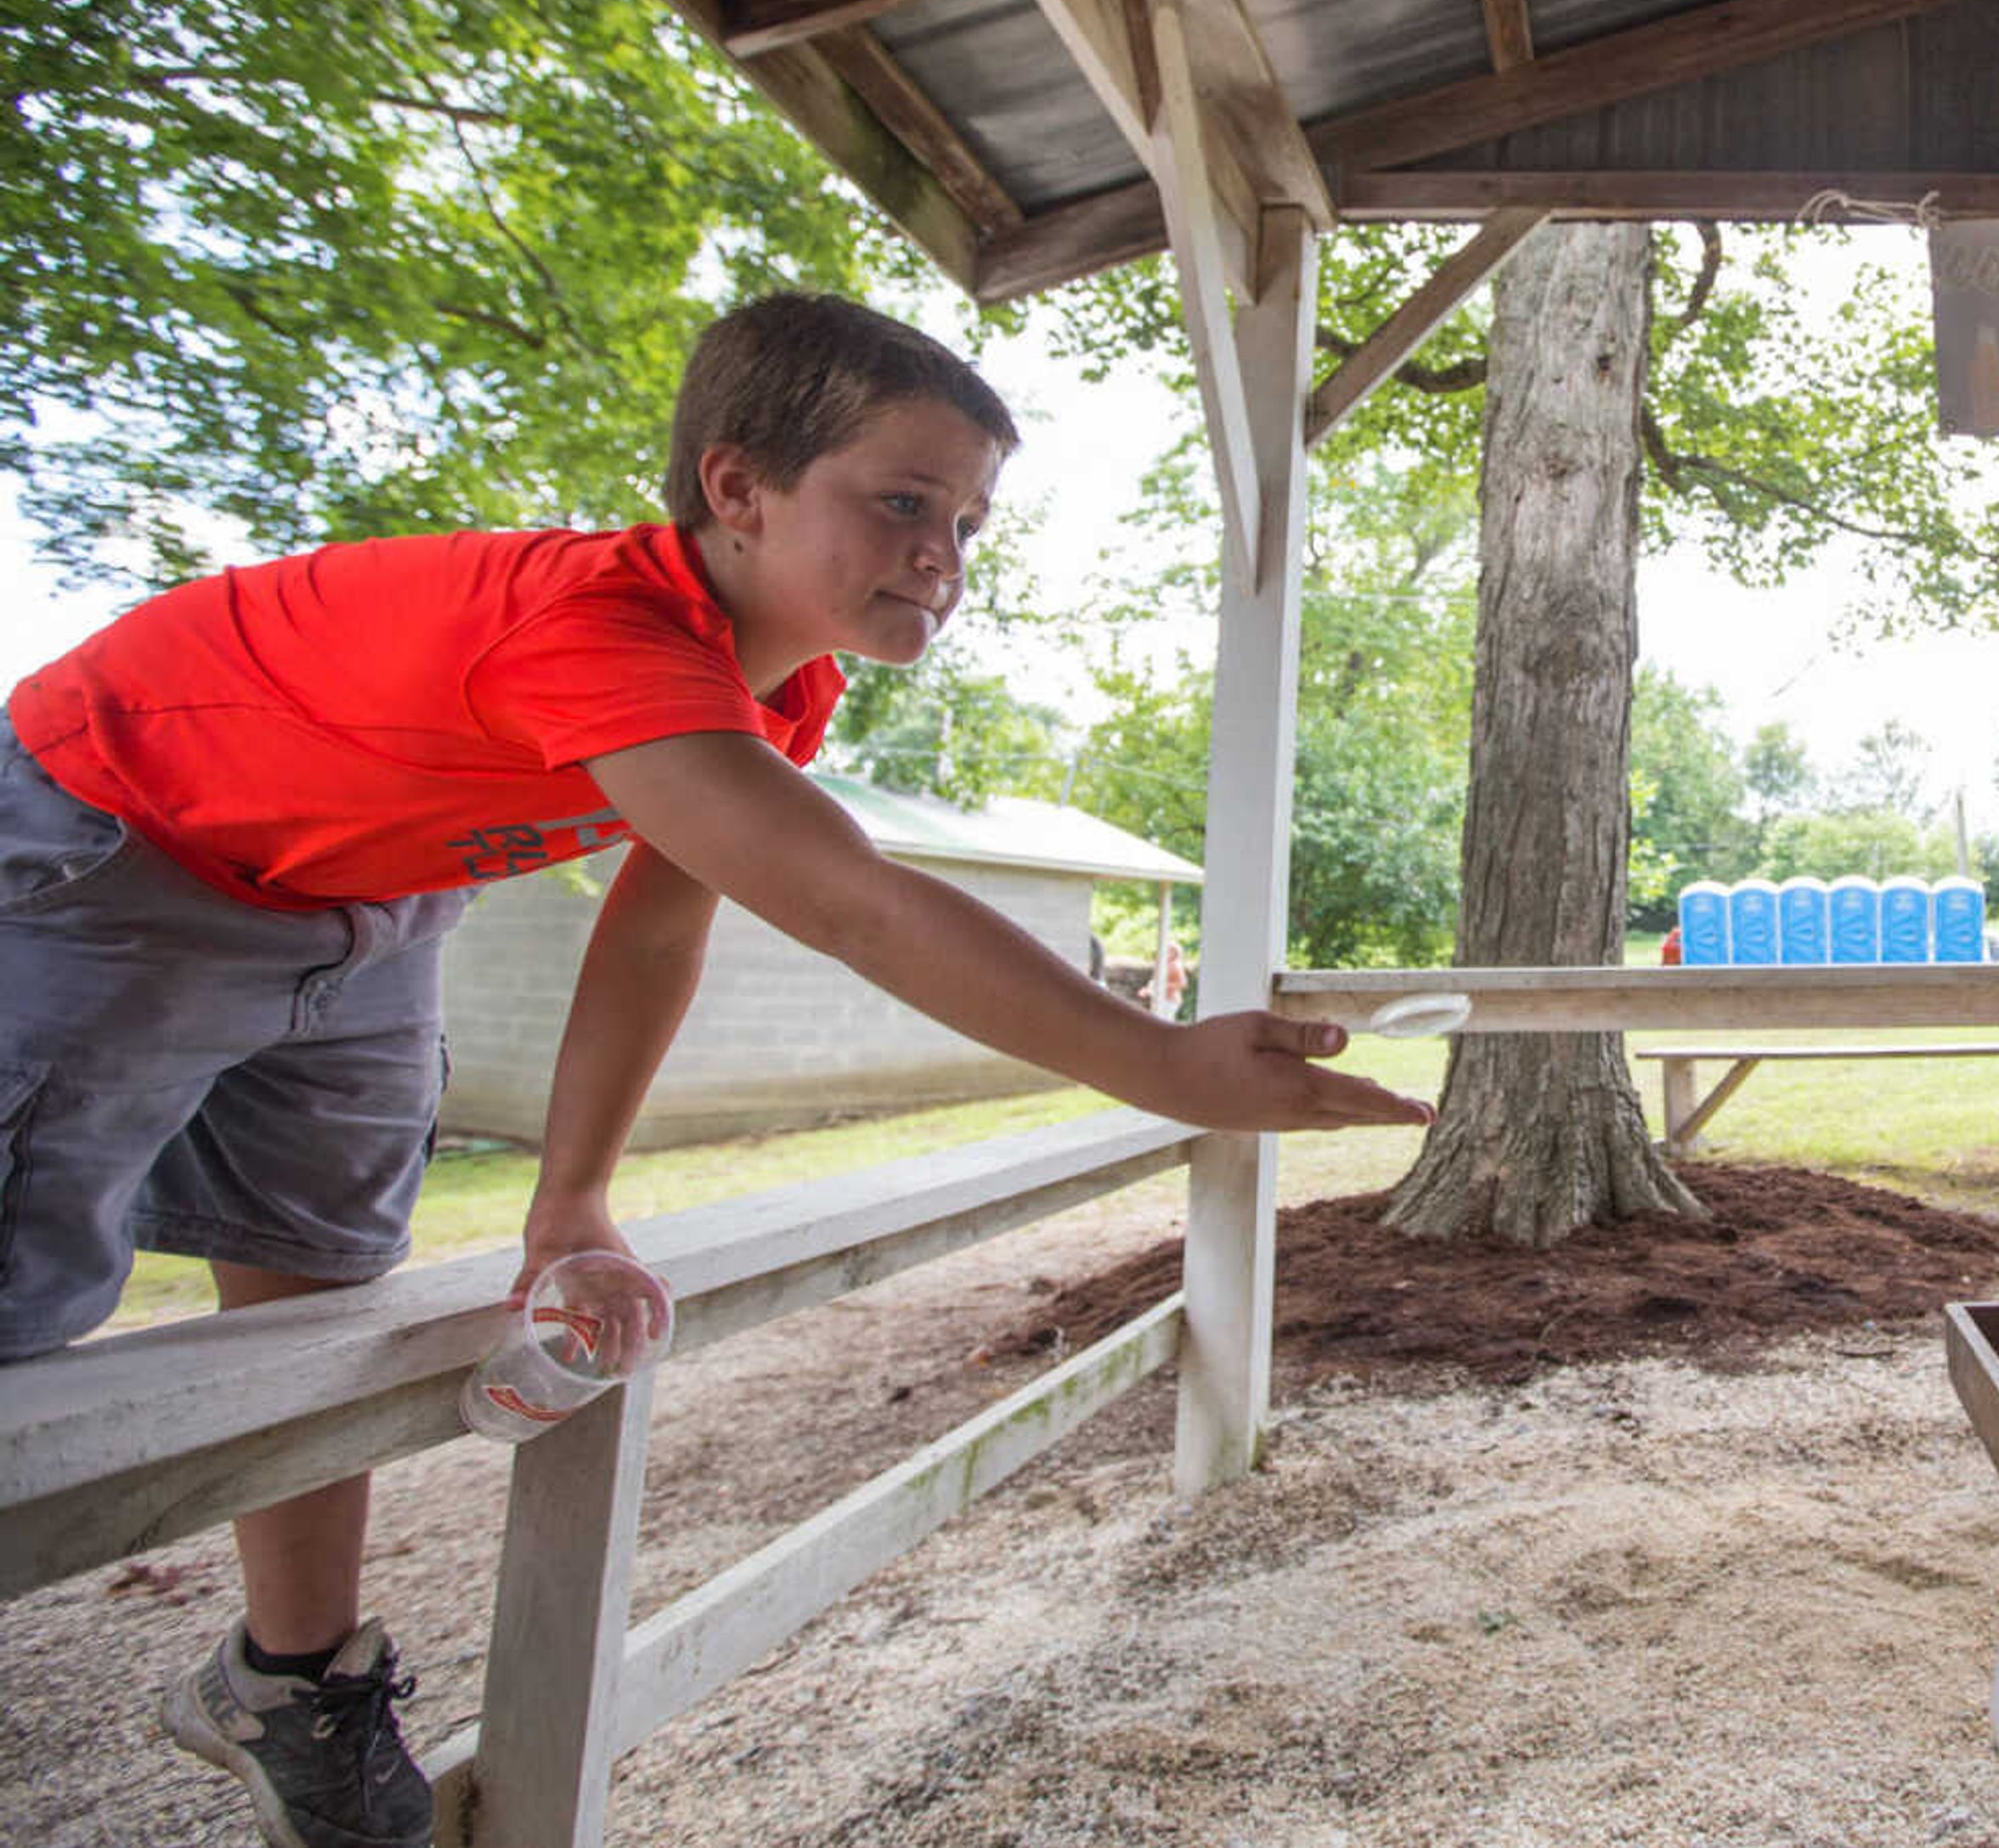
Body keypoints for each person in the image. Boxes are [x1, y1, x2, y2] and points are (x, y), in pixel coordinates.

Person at [0, 292, 1433, 1848]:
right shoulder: (600, 627)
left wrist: (575, 1196)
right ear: (738, 489)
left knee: (320, 1274)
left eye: (967, 518)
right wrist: (1160, 1060)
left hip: (377, 892)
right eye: (901, 501)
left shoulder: (777, 678)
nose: (943, 550)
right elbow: (849, 900)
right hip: (113, 840)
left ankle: (286, 1680)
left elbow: (658, 930)